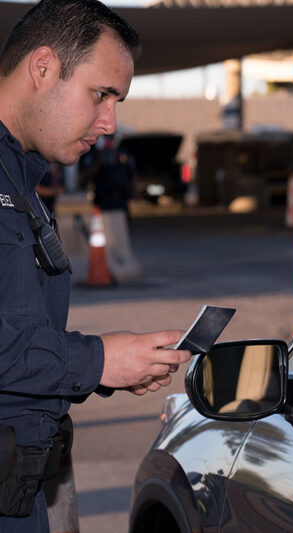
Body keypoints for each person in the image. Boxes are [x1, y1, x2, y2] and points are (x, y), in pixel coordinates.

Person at [0, 1, 191, 532]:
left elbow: (18, 335)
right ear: (43, 67)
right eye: (100, 94)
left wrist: (110, 362)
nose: (109, 122)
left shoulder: (19, 180)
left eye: (118, 100)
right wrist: (101, 360)